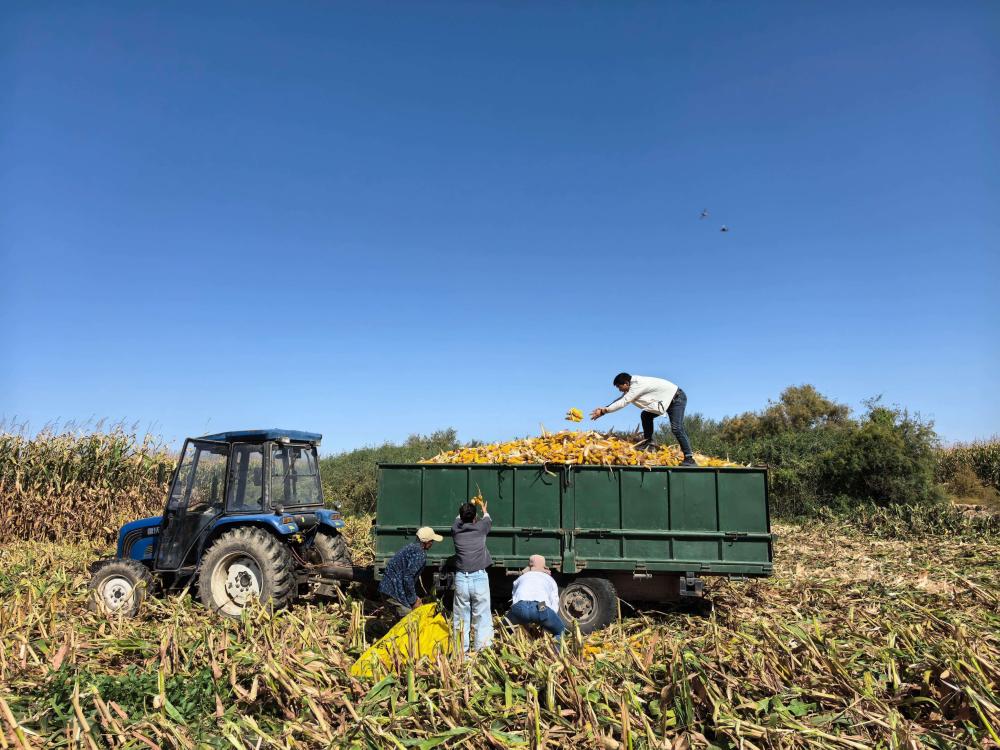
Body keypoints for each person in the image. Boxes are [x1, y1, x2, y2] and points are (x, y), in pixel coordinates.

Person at [590, 372, 697, 466]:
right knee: (646, 415)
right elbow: (621, 399)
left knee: (677, 428)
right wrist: (605, 409)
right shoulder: (632, 385)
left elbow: (624, 401)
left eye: (619, 387)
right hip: (666, 400)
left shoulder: (637, 386)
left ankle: (689, 458)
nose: (619, 390)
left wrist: (604, 411)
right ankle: (649, 443)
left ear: (626, 383)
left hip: (676, 399)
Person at [451, 496, 494, 651]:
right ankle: (482, 650)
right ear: (475, 517)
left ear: (461, 517)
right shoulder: (482, 527)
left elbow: (458, 518)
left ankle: (461, 651)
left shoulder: (455, 530)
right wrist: (482, 507)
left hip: (462, 578)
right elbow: (487, 518)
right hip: (479, 577)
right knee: (482, 616)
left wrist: (466, 505)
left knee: (460, 617)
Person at [378, 526, 443, 619]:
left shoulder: (412, 547)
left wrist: (414, 598)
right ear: (426, 542)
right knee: (410, 619)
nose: (432, 543)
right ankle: (375, 628)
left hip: (388, 588)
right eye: (431, 541)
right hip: (392, 591)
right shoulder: (420, 554)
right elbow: (408, 578)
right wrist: (413, 600)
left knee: (404, 620)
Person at [505, 554, 566, 640]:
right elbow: (554, 604)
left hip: (520, 605)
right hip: (541, 605)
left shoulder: (521, 578)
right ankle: (556, 651)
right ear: (544, 567)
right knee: (560, 631)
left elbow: (515, 598)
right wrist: (549, 621)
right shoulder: (549, 579)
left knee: (505, 627)